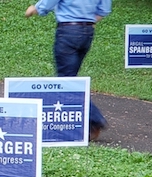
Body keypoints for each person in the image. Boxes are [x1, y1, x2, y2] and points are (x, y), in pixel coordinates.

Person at [25, 0, 111, 141]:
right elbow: (104, 10)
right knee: (71, 79)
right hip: (87, 33)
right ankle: (84, 124)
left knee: (67, 82)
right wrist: (88, 23)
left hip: (68, 32)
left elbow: (48, 3)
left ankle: (94, 119)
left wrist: (35, 8)